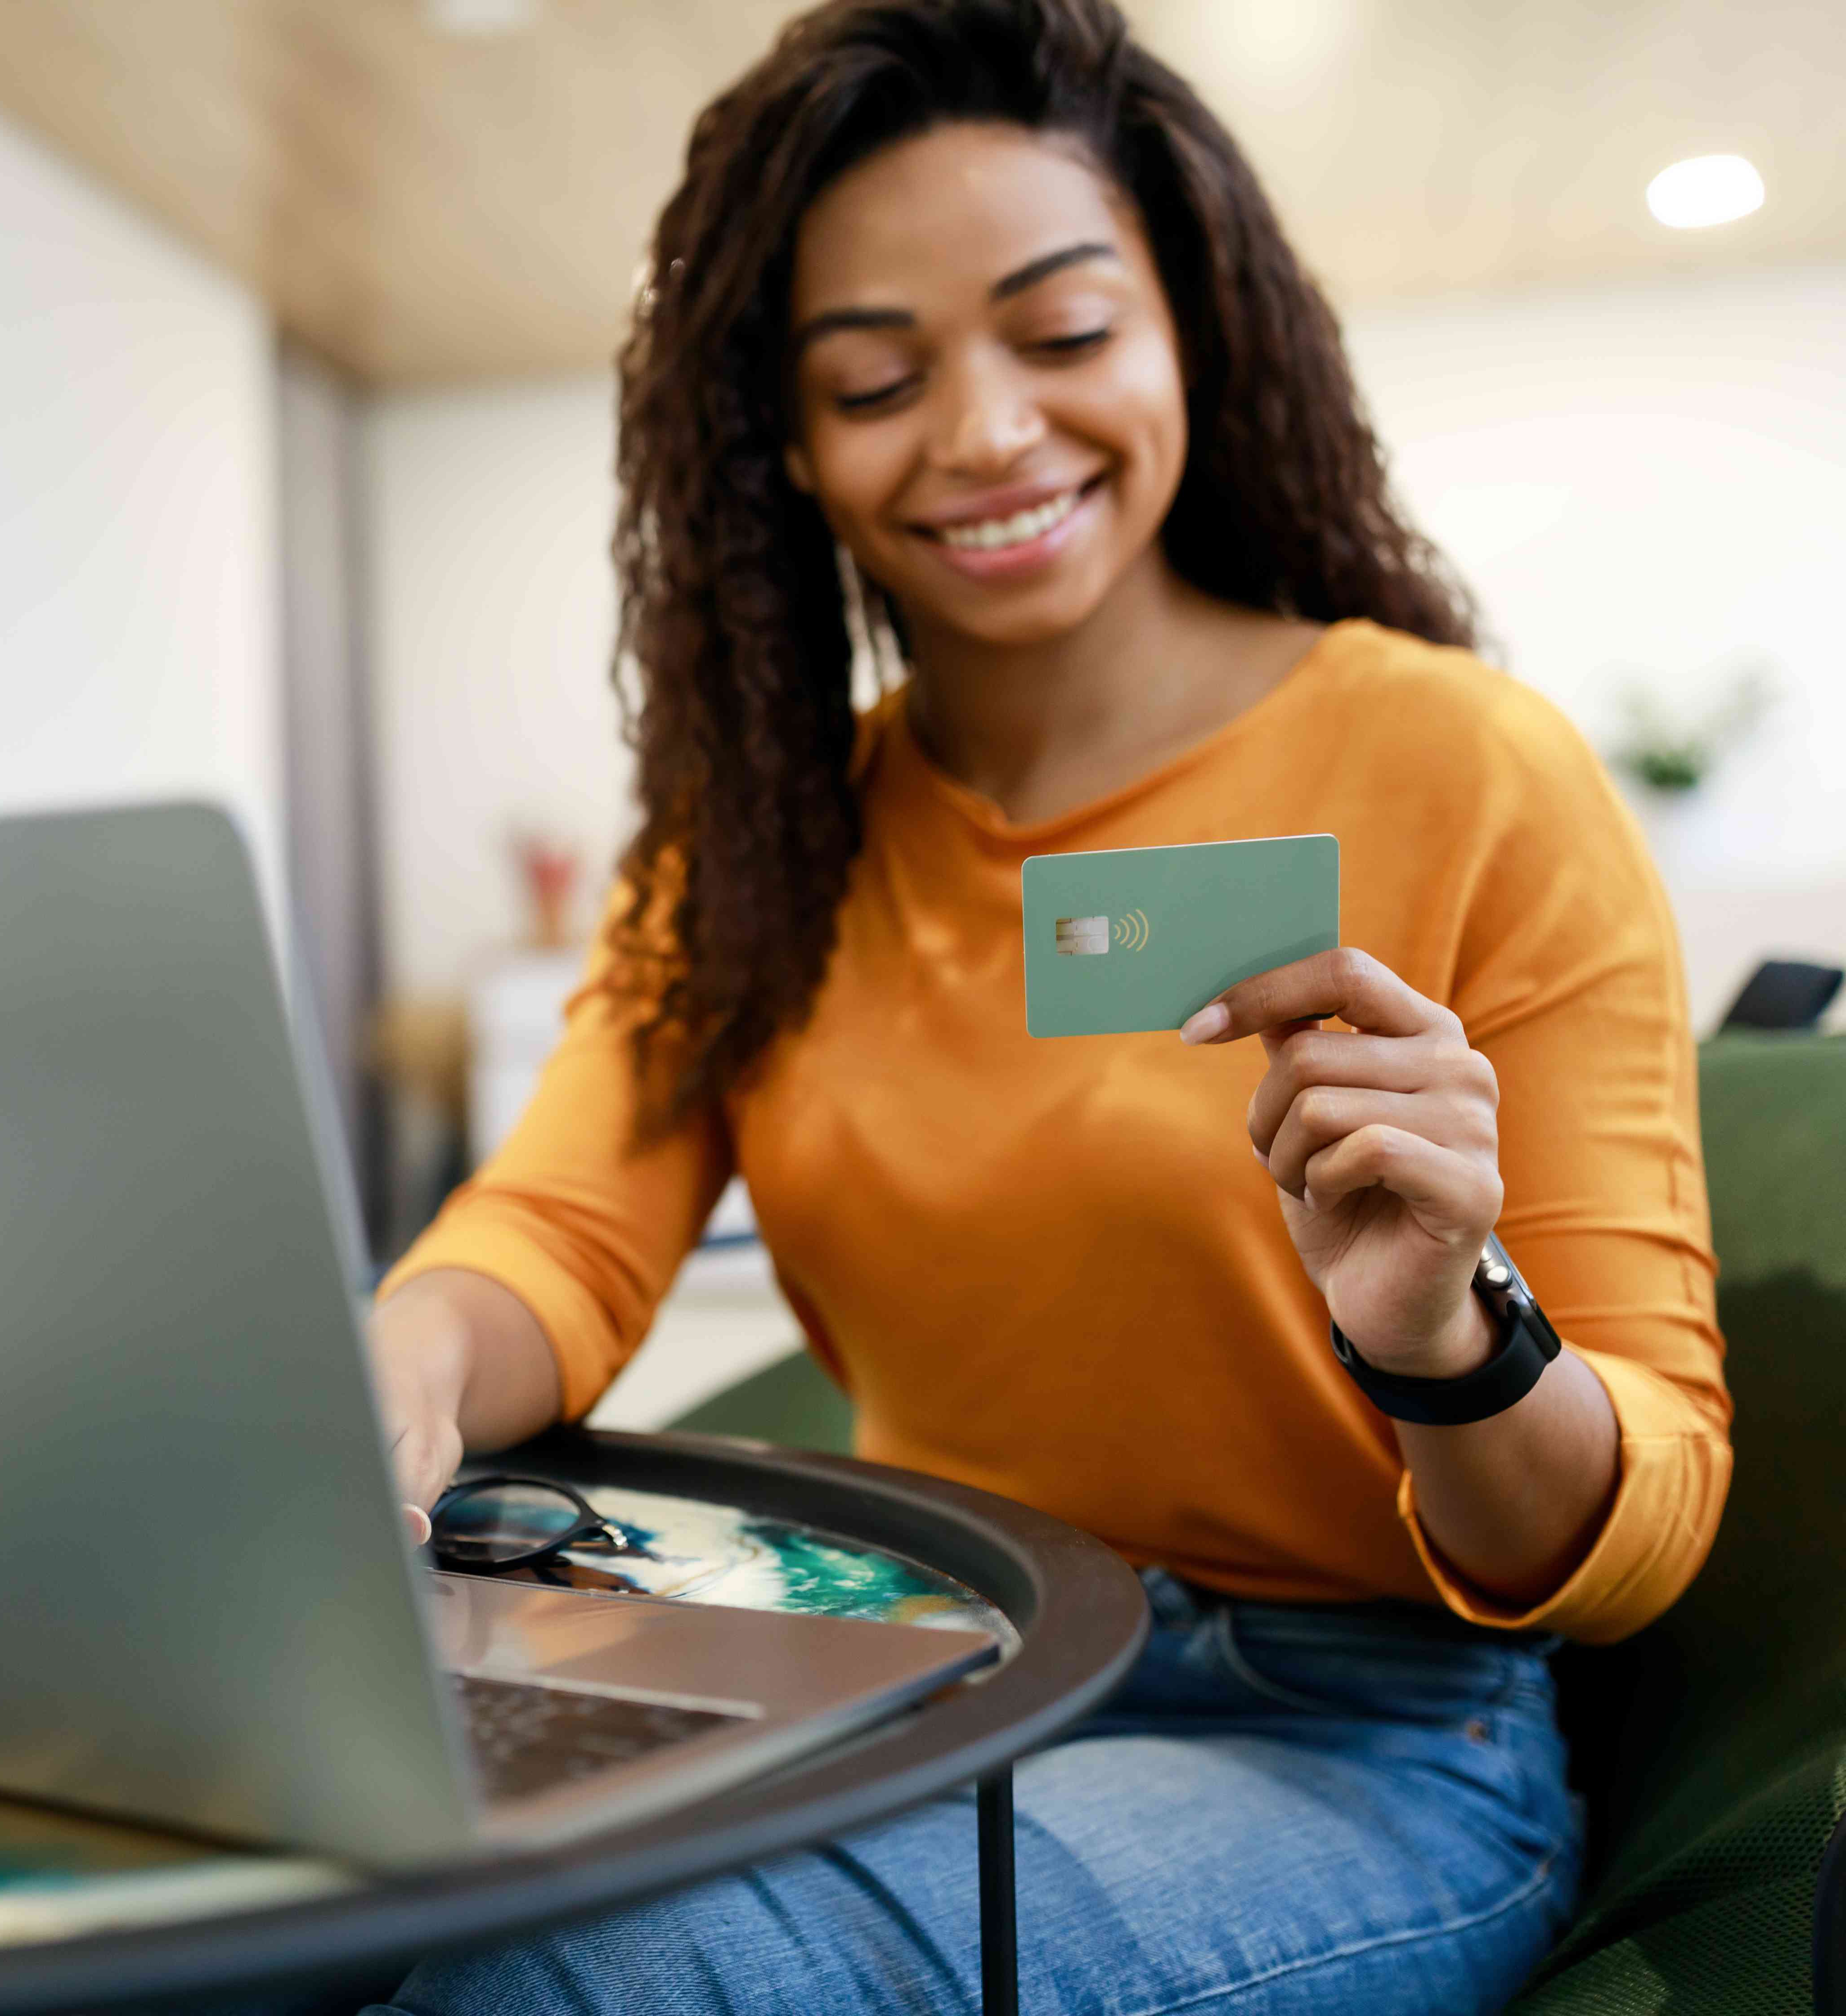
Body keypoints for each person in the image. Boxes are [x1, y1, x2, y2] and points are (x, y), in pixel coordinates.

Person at [360, 1, 1730, 2009]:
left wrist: (1441, 1333)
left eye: (1064, 334)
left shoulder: (1469, 771)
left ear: (1194, 331)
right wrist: (391, 1364)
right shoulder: (760, 837)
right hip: (921, 1663)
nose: (987, 430)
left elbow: (1653, 1510)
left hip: (1345, 1736)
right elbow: (555, 1237)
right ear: (788, 439)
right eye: (874, 376)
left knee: (597, 1986)